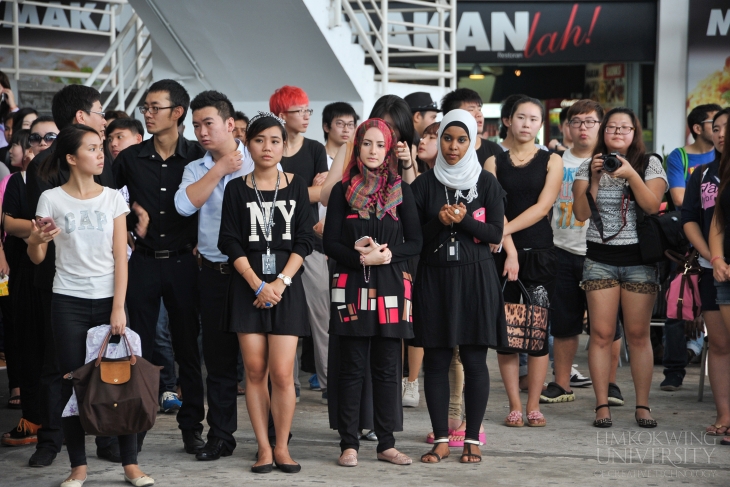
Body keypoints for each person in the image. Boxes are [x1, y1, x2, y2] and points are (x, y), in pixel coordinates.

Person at [27, 124, 153, 487]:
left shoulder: (113, 198)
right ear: (71, 158)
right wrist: (36, 238)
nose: (102, 153)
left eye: (102, 148)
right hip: (67, 299)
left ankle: (130, 464)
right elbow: (37, 257)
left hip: (109, 299)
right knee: (72, 383)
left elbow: (121, 257)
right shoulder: (51, 198)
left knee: (121, 379)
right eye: (93, 148)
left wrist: (119, 307)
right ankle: (78, 466)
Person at [218, 112, 314, 473]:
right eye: (259, 140)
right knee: (254, 371)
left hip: (286, 286)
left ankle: (283, 446)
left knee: (283, 373)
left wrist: (279, 284)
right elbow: (228, 239)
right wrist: (257, 283)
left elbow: (305, 239)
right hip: (248, 288)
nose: (267, 147)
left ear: (284, 145)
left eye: (275, 141)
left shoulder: (297, 185)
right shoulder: (236, 188)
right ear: (248, 144)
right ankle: (262, 447)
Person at [114, 79, 207, 454]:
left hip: (186, 263)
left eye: (155, 107)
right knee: (139, 349)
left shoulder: (199, 157)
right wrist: (128, 215)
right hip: (144, 264)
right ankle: (135, 429)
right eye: (146, 109)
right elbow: (105, 200)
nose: (148, 114)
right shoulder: (130, 158)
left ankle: (191, 429)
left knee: (187, 349)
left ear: (178, 113)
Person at [25, 84, 115, 468]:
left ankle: (107, 439)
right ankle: (50, 438)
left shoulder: (103, 162)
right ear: (81, 117)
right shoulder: (42, 167)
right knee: (57, 365)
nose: (104, 119)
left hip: (102, 279)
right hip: (56, 279)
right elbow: (39, 230)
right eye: (99, 111)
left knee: (105, 363)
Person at [323, 118, 421, 467]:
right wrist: (362, 257)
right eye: (367, 144)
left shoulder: (401, 190)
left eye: (380, 145)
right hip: (351, 286)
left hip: (392, 287)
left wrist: (388, 256)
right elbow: (330, 242)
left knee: (386, 367)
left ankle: (387, 443)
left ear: (389, 149)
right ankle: (348, 443)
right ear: (357, 147)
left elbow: (416, 241)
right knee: (350, 367)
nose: (374, 151)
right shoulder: (342, 191)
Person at [413, 109, 506, 464]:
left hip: (476, 279)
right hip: (434, 279)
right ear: (438, 141)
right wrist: (438, 221)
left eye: (461, 140)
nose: (453, 147)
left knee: (474, 359)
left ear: (472, 142)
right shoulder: (423, 185)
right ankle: (440, 439)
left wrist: (465, 220)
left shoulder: (487, 183)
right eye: (447, 139)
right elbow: (413, 239)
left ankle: (472, 440)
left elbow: (496, 234)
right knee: (435, 360)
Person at [175, 90, 258, 461]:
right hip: (213, 272)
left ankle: (272, 439)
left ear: (229, 124)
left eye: (208, 123)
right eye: (195, 126)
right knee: (219, 359)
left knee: (261, 362)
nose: (202, 132)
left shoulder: (258, 158)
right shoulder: (197, 167)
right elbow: (183, 205)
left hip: (255, 275)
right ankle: (221, 436)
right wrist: (219, 169)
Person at [572, 107, 667, 429]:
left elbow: (653, 205)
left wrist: (630, 175)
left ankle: (642, 405)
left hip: (639, 260)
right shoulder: (589, 165)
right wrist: (596, 179)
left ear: (634, 133)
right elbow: (582, 214)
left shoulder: (649, 162)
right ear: (604, 133)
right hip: (600, 259)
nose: (618, 132)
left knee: (639, 335)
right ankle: (602, 406)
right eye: (612, 127)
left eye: (625, 128)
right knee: (600, 334)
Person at [485, 97, 562, 428]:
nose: (527, 123)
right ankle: (515, 404)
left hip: (540, 252)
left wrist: (502, 231)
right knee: (507, 333)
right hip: (502, 254)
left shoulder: (552, 160)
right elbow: (494, 206)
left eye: (534, 119)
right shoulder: (493, 162)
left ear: (540, 124)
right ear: (508, 121)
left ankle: (534, 405)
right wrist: (509, 248)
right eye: (521, 117)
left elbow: (543, 207)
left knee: (537, 332)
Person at [540, 100, 604, 404]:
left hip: (602, 251)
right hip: (561, 249)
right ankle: (562, 384)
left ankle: (611, 386)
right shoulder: (555, 163)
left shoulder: (611, 162)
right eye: (576, 121)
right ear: (567, 127)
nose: (583, 127)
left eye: (590, 122)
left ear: (600, 126)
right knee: (564, 320)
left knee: (607, 327)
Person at [271, 86, 330, 404]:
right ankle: (286, 386)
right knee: (282, 321)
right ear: (282, 115)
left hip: (310, 242)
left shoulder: (314, 149)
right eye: (300, 111)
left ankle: (329, 383)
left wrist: (297, 190)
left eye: (309, 109)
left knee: (322, 317)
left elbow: (322, 194)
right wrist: (305, 190)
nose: (307, 116)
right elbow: (271, 194)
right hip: (276, 245)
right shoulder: (271, 148)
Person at [661, 103, 721, 392]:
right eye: (715, 124)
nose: (720, 131)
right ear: (698, 128)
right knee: (678, 304)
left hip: (715, 243)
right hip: (688, 242)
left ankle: (696, 351)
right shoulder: (681, 157)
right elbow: (679, 198)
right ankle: (674, 371)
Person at [686, 108, 729, 438]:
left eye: (727, 126)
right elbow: (696, 219)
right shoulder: (703, 174)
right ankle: (724, 415)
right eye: (717, 127)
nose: (721, 132)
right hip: (712, 268)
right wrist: (711, 257)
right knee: (719, 343)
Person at [1, 129, 42, 447]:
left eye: (50, 139)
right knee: (27, 346)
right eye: (36, 140)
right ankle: (31, 421)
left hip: (65, 278)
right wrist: (40, 227)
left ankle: (65, 423)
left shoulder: (69, 183)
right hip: (24, 276)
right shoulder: (20, 181)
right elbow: (8, 223)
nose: (41, 145)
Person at [441, 88, 503, 165]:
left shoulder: (494, 150)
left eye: (479, 109)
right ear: (452, 115)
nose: (479, 114)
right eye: (471, 110)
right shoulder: (442, 151)